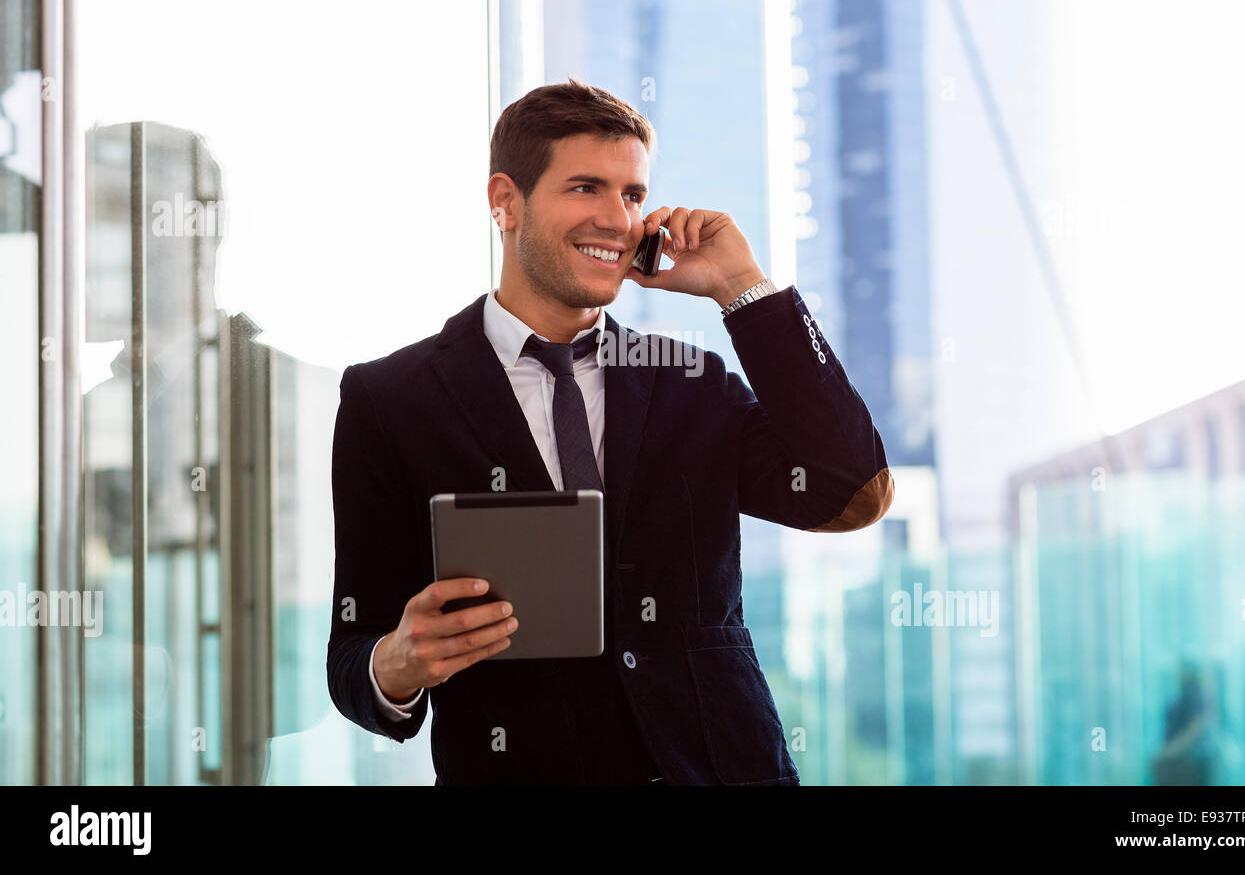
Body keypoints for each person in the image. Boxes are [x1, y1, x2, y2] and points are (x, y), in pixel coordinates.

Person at [326, 78, 894, 785]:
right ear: (505, 200)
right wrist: (399, 660)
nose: (618, 220)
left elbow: (851, 490)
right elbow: (354, 651)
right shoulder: (390, 400)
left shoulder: (688, 381)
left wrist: (741, 287)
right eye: (586, 187)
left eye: (632, 194)